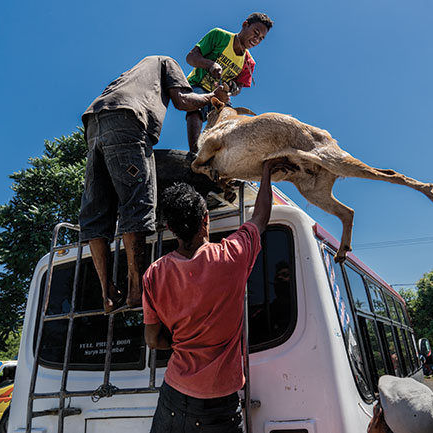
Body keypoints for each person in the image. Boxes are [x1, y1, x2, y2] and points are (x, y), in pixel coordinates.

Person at [142, 158, 290, 433]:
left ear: (171, 229)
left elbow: (153, 339)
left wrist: (183, 342)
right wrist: (266, 171)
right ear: (205, 219)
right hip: (217, 405)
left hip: (172, 396)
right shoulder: (230, 257)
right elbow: (260, 218)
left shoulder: (154, 274)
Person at [79, 55, 229, 313]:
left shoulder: (131, 74)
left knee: (96, 210)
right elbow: (183, 101)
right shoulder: (165, 62)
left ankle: (107, 292)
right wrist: (211, 96)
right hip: (127, 121)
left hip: (94, 123)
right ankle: (135, 289)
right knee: (136, 200)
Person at [185, 12, 274, 152]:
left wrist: (232, 88)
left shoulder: (249, 62)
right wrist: (210, 65)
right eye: (255, 33)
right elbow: (190, 58)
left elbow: (239, 88)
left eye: (261, 38)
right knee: (196, 106)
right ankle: (194, 152)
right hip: (198, 85)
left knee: (229, 122)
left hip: (221, 95)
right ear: (245, 25)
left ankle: (217, 156)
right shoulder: (219, 36)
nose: (256, 39)